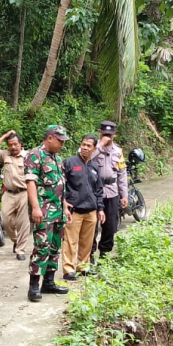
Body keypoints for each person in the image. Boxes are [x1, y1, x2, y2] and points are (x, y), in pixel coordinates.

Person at [24, 124, 71, 302]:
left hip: (58, 210)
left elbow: (61, 185)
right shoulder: (35, 155)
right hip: (43, 210)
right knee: (41, 246)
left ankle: (49, 282)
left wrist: (65, 207)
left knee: (54, 246)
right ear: (50, 138)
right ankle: (34, 286)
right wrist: (35, 207)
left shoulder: (57, 158)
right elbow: (30, 183)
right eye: (60, 140)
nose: (62, 144)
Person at [60, 135, 105, 281]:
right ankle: (68, 270)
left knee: (87, 242)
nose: (85, 147)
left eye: (89, 146)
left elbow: (98, 190)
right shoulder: (69, 162)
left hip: (91, 211)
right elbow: (61, 185)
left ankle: (83, 267)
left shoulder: (95, 166)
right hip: (74, 211)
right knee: (70, 241)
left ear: (94, 149)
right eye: (83, 144)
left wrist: (100, 209)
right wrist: (64, 203)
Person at [0, 130, 30, 260]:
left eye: (15, 144)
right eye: (10, 144)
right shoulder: (5, 155)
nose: (13, 147)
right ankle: (16, 240)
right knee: (6, 220)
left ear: (20, 144)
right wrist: (5, 136)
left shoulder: (28, 156)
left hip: (24, 192)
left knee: (23, 222)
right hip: (8, 193)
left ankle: (20, 250)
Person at [92, 120, 128, 260]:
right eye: (105, 134)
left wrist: (123, 194)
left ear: (115, 135)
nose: (107, 137)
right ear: (99, 133)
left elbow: (122, 173)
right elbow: (83, 158)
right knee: (92, 225)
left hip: (112, 192)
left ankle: (104, 254)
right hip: (94, 192)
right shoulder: (91, 147)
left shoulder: (118, 151)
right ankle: (89, 256)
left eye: (110, 135)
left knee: (110, 225)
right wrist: (100, 146)